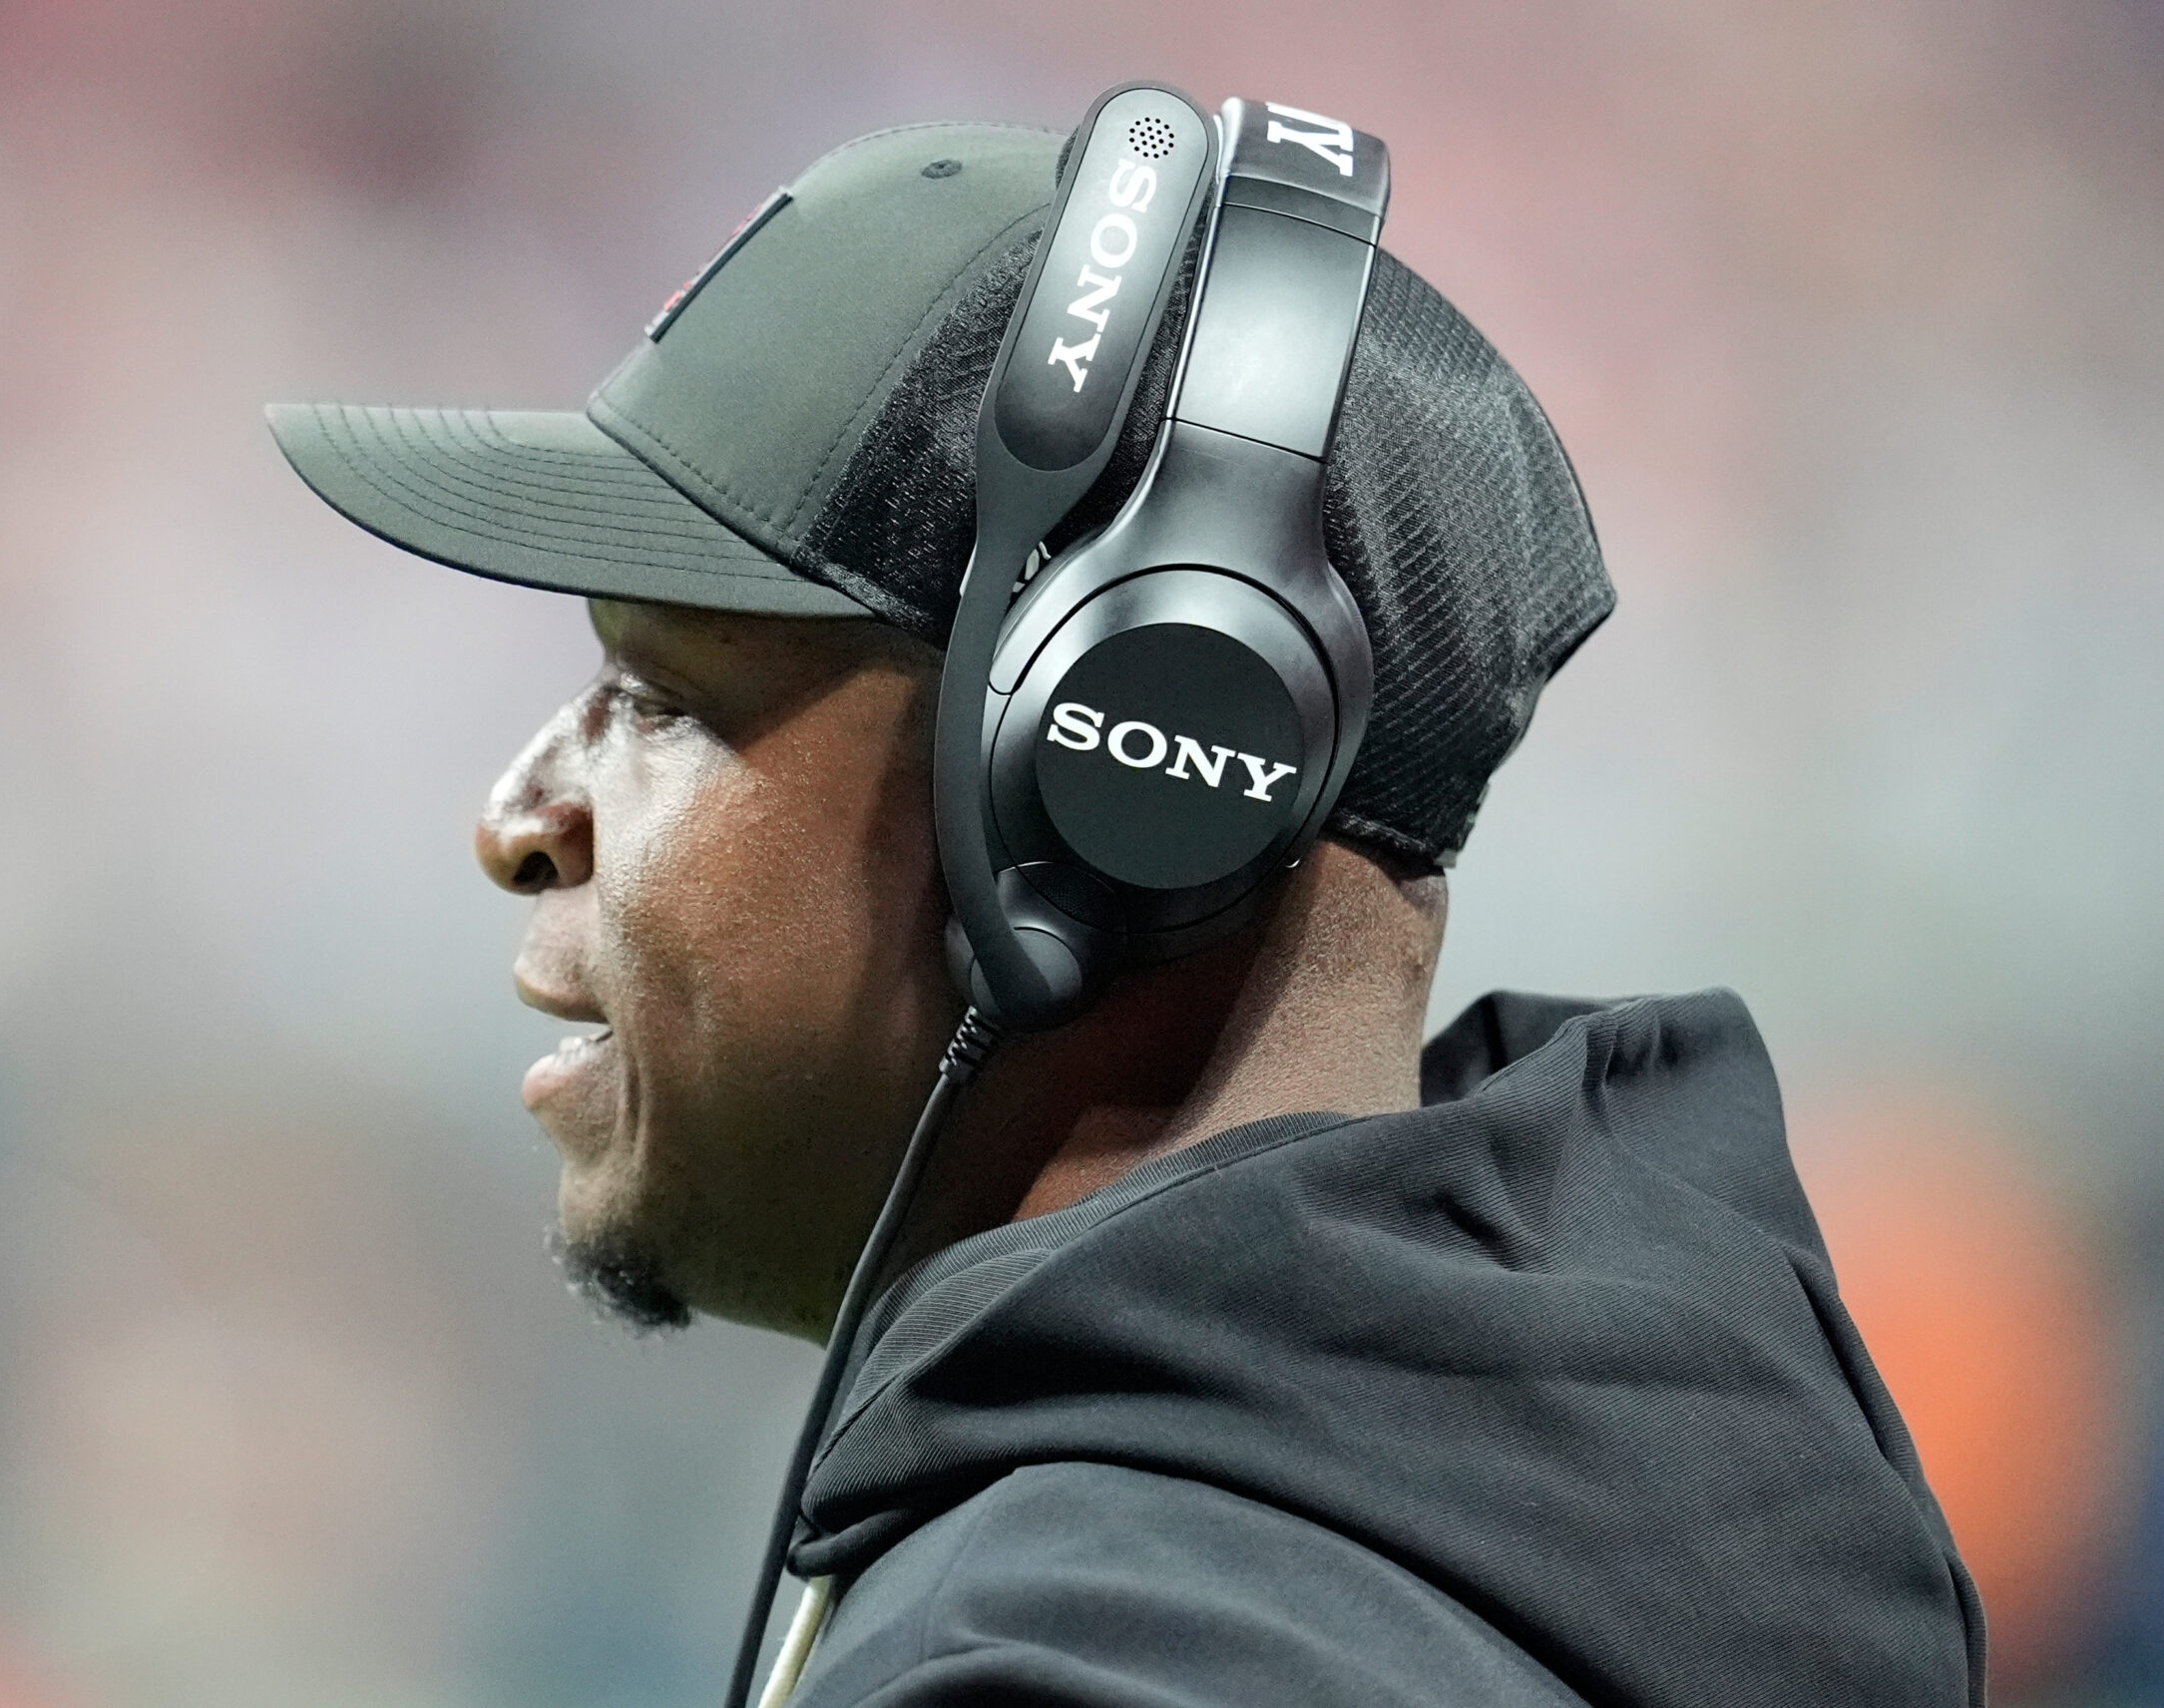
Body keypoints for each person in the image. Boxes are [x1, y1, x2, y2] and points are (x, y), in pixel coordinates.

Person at [269, 108, 1984, 1708]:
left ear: (1117, 783)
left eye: (659, 700)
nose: (516, 821)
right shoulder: (1438, 1538)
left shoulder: (1080, 1666)